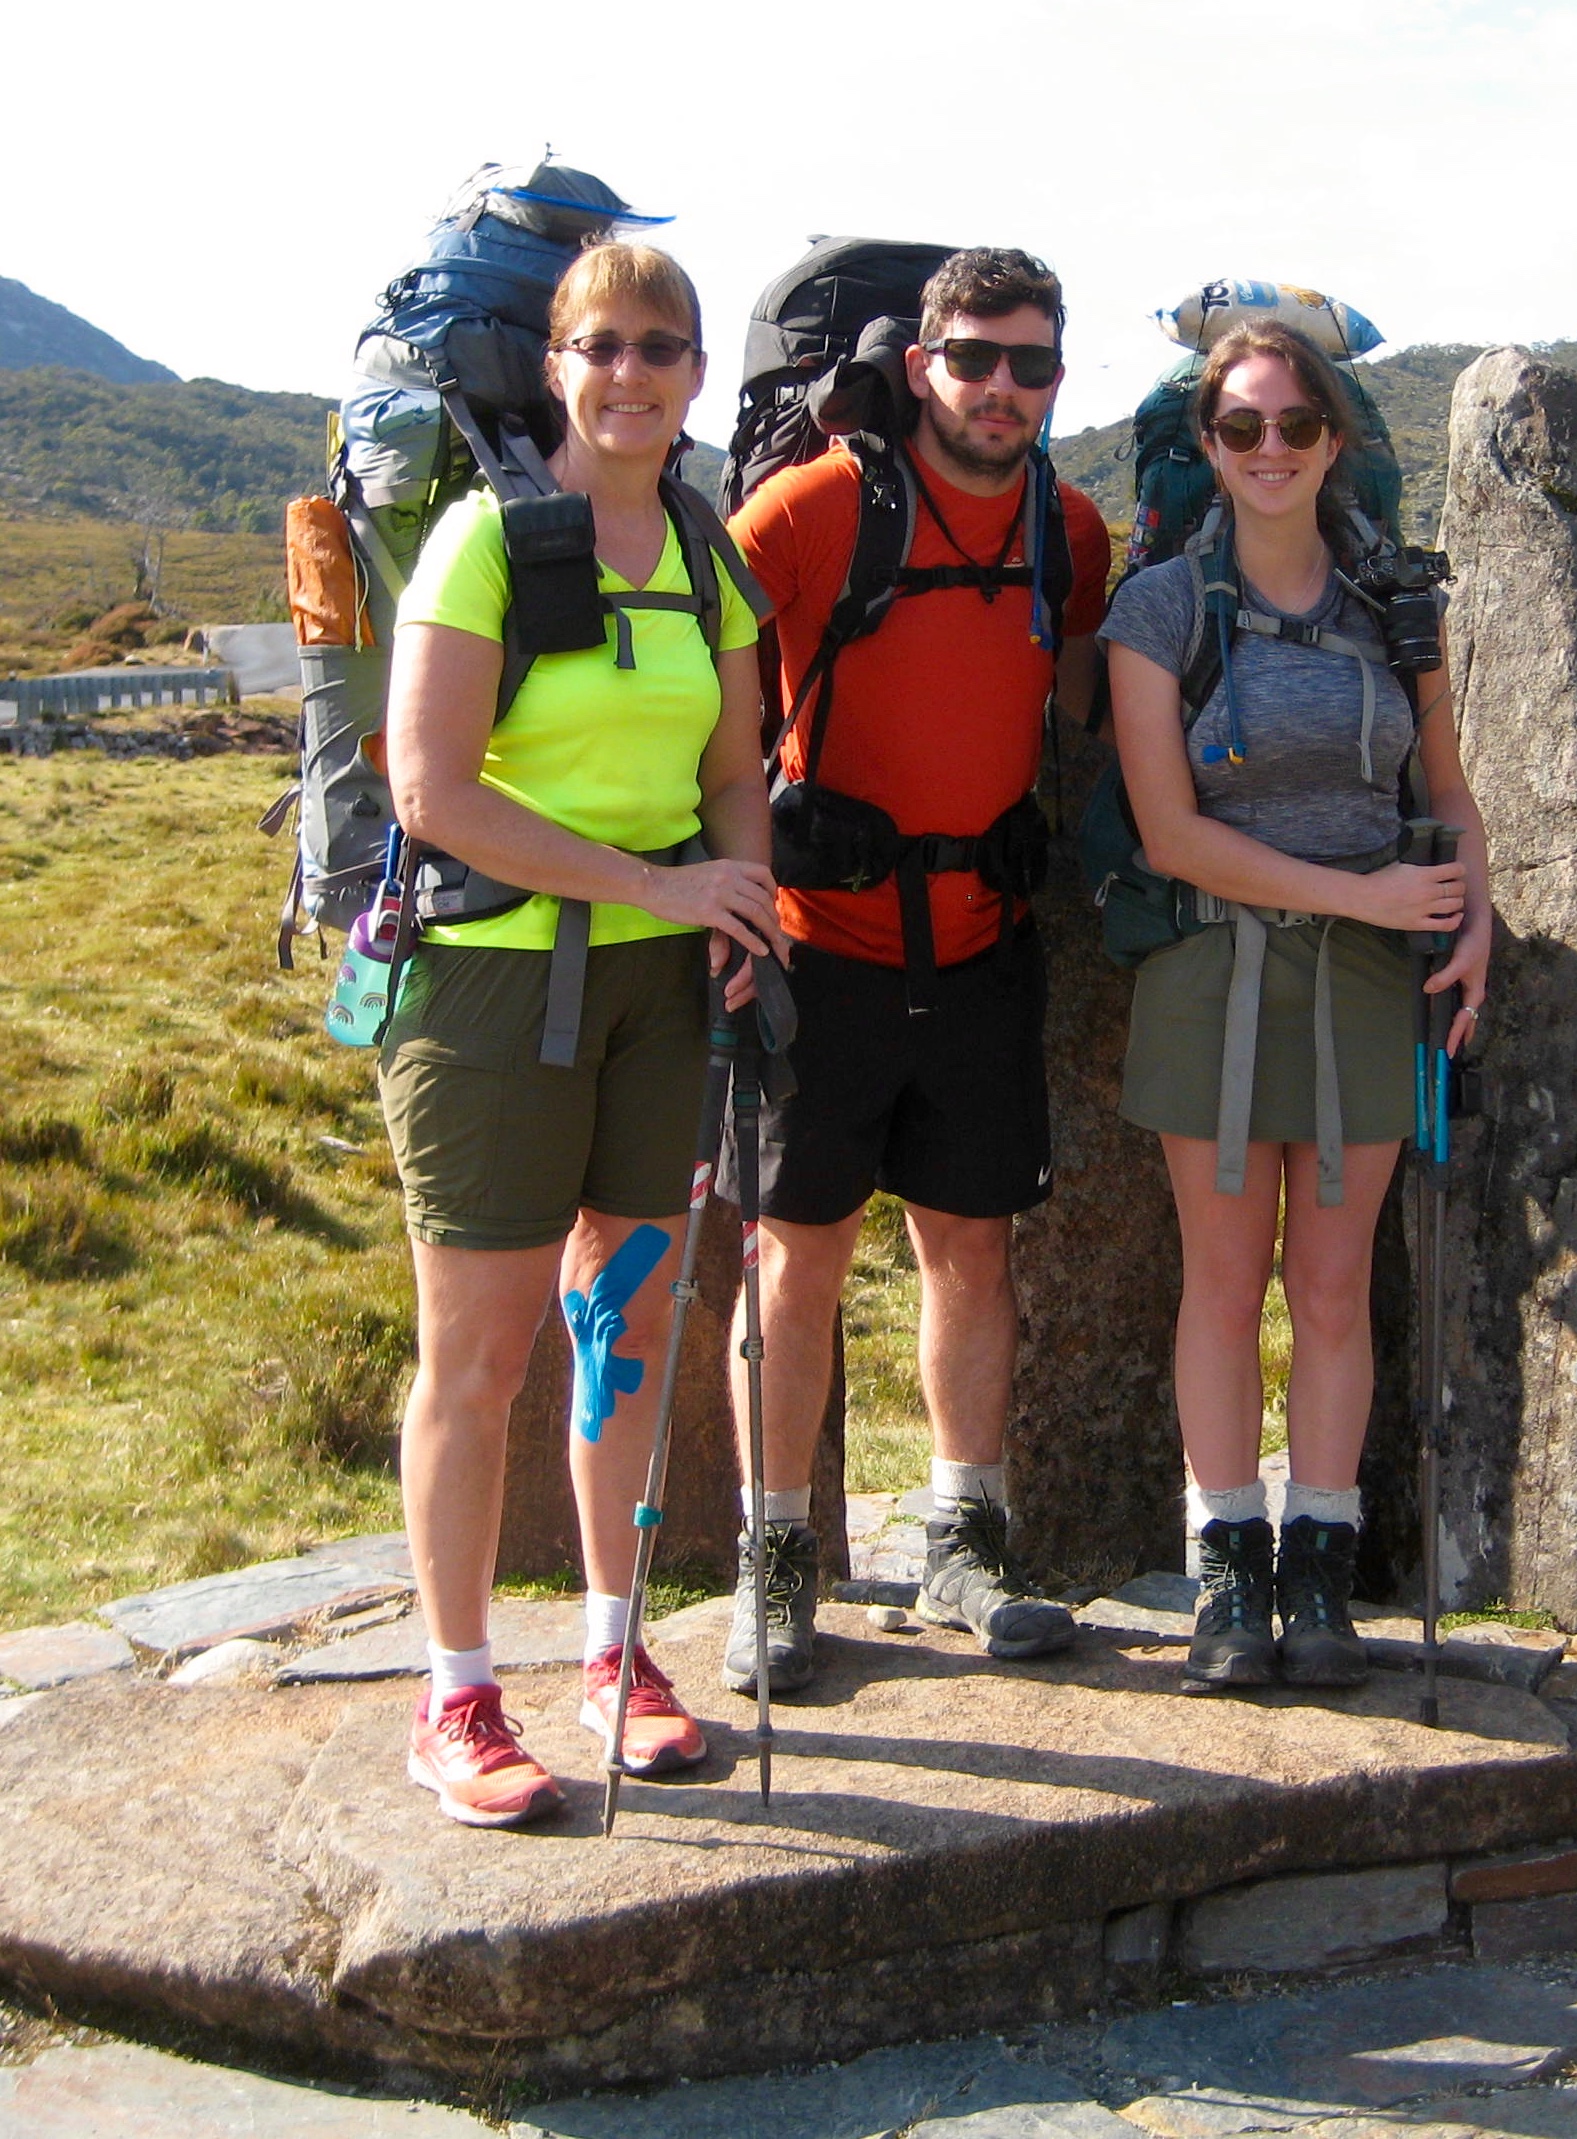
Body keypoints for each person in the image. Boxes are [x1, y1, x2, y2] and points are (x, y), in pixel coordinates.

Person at [380, 241, 785, 1826]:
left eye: (661, 348)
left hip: (657, 995)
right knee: (477, 1359)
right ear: (555, 365)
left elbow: (739, 760)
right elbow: (436, 791)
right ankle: (458, 1694)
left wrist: (737, 900)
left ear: (695, 376)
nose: (632, 373)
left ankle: (616, 1656)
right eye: (602, 345)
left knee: (621, 1332)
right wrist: (657, 887)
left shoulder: (705, 549)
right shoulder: (482, 546)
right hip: (492, 987)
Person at [721, 248, 1110, 1691]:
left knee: (973, 1252)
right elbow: (702, 678)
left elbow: (1074, 703)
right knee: (792, 1261)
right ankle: (778, 1564)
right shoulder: (818, 508)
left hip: (983, 952)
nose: (1001, 388)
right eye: (975, 358)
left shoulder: (1071, 530)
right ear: (921, 362)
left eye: (1032, 364)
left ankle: (967, 1540)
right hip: (817, 950)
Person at [1100, 321, 1488, 1688]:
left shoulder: (1398, 604)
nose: (1271, 450)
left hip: (1370, 984)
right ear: (1205, 447)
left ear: (1336, 443)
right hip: (1217, 968)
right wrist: (1372, 902)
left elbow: (1444, 793)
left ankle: (1318, 1564)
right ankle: (1227, 1574)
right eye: (1242, 427)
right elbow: (1172, 836)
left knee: (1331, 1285)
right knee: (1223, 1280)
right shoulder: (1157, 609)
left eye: (1296, 426)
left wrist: (1470, 913)